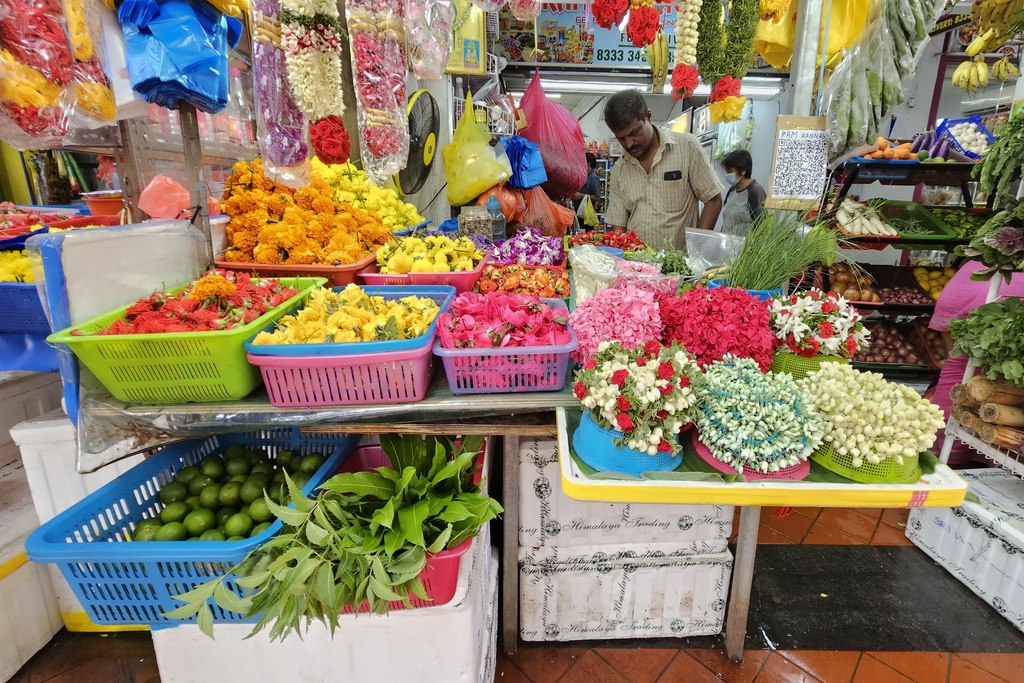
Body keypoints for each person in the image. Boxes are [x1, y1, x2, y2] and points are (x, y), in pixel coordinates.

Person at [929, 260, 1024, 465]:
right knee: (991, 434)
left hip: (963, 374)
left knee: (951, 440)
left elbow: (951, 342)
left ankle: (948, 465)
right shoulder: (983, 278)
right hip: (998, 383)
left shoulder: (970, 271)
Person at [602, 90, 722, 250]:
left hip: (680, 266)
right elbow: (619, 226)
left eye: (634, 133)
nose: (629, 144)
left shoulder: (687, 147)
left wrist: (696, 252)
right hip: (638, 268)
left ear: (648, 117)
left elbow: (713, 200)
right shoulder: (619, 170)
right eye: (621, 139)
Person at [718, 149, 765, 236]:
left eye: (729, 171)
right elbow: (726, 222)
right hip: (726, 245)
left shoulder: (755, 191)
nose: (727, 174)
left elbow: (761, 227)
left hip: (744, 247)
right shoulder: (732, 190)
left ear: (743, 171)